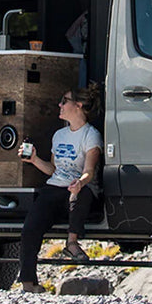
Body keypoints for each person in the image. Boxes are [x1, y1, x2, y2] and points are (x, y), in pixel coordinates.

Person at [18, 83, 103, 292]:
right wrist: (35, 160)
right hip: (54, 187)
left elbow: (90, 170)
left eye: (64, 101)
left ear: (79, 105)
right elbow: (53, 169)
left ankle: (71, 243)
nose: (60, 105)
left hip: (79, 188)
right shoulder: (59, 135)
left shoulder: (90, 135)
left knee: (80, 194)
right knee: (30, 227)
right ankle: (28, 283)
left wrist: (80, 182)